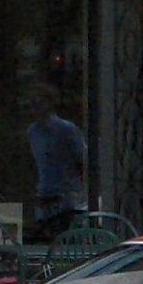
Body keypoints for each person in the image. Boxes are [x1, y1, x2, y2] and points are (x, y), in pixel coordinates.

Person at [26, 86, 87, 240]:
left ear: (50, 103)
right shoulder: (32, 131)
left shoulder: (66, 130)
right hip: (44, 197)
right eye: (32, 101)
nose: (35, 105)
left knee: (66, 240)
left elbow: (83, 159)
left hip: (66, 200)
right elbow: (35, 163)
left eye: (39, 101)